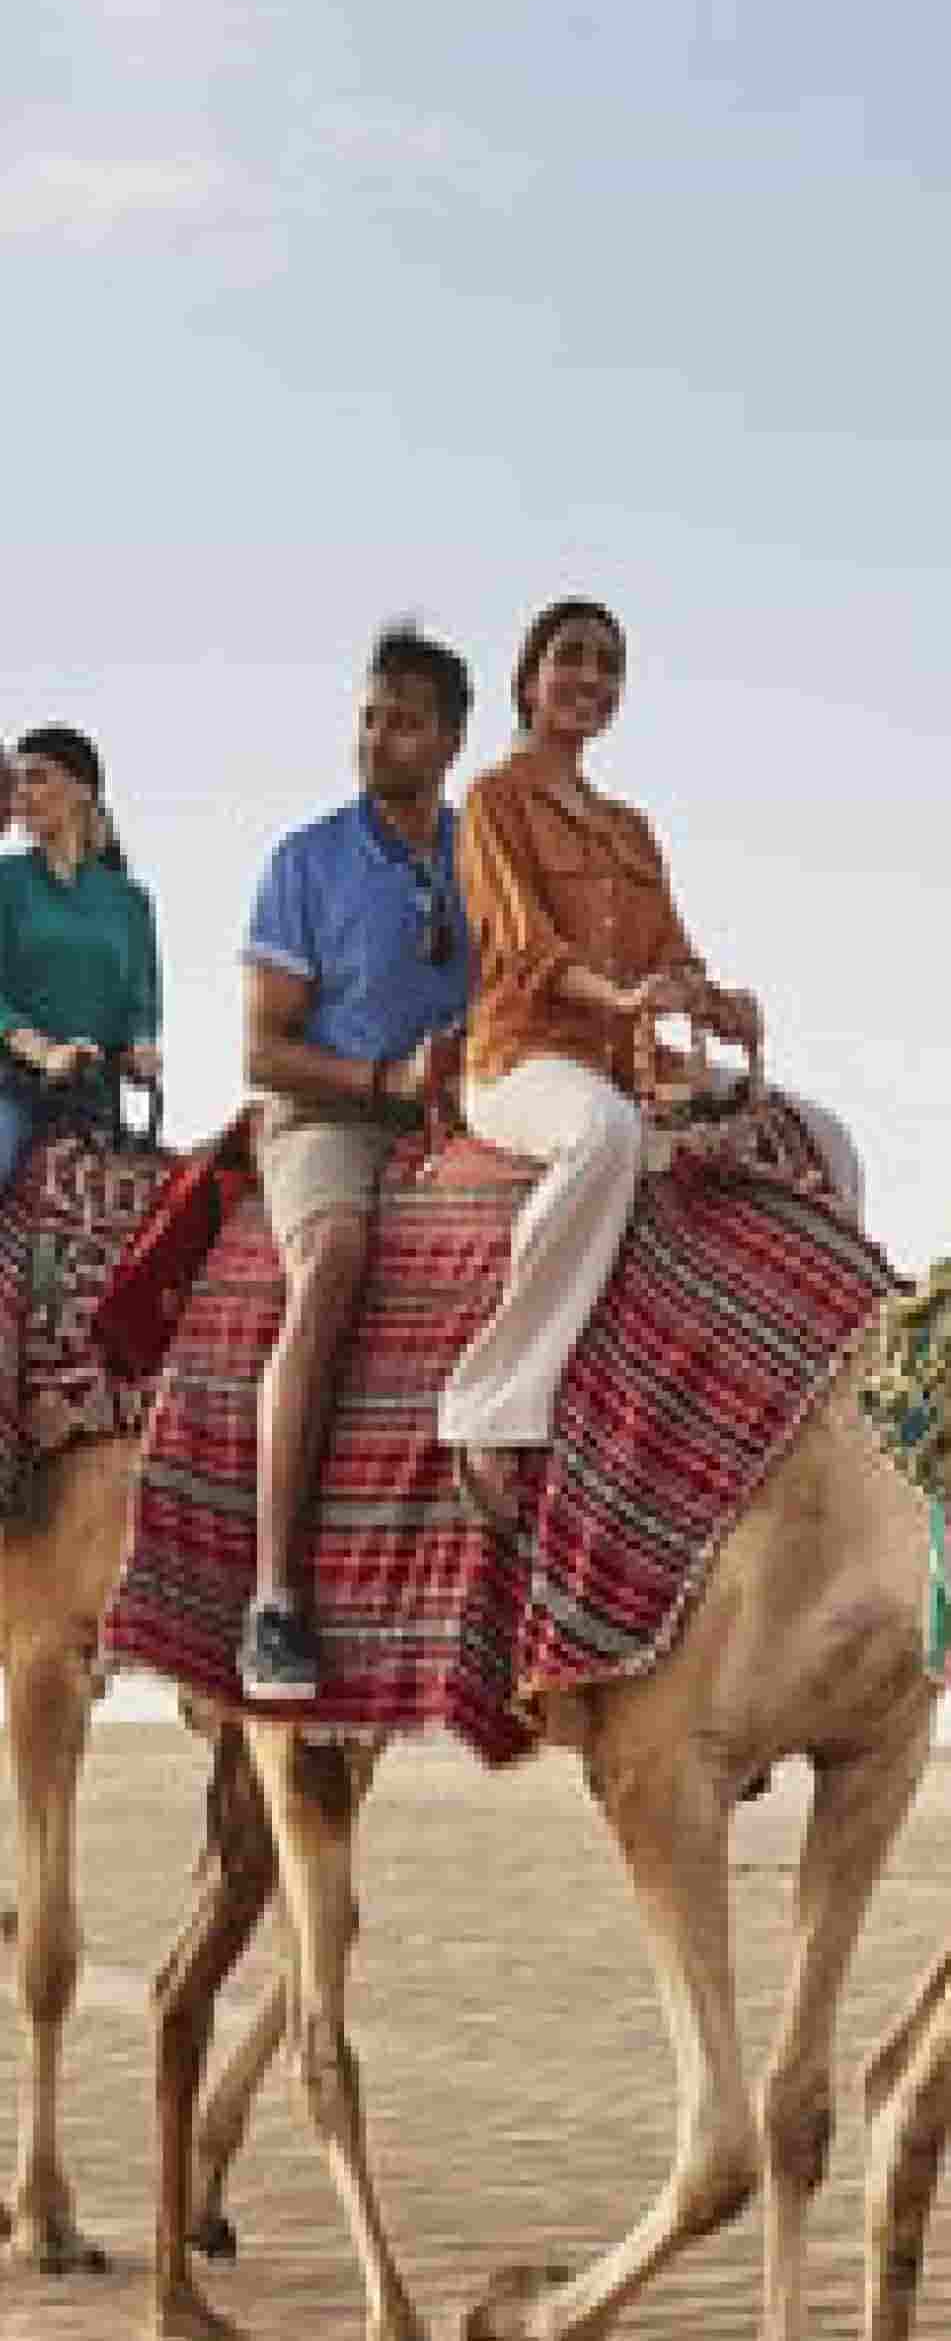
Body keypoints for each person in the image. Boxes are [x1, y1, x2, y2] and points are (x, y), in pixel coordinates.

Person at [439, 596, 863, 1532]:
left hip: (632, 1054)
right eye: (573, 658)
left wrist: (713, 1001)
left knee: (820, 1132)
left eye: (609, 665)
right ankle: (496, 1405)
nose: (591, 679)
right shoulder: (494, 802)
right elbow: (521, 947)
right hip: (523, 1060)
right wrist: (621, 999)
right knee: (604, 1137)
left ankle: (818, 1376)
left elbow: (671, 951)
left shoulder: (630, 830)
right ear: (530, 677)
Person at [232, 623, 478, 1702]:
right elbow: (263, 1049)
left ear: (451, 739)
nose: (378, 738)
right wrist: (385, 1084)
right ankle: (275, 1599)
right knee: (332, 1257)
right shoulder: (307, 861)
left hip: (465, 1120)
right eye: (369, 717)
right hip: (330, 1115)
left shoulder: (485, 858)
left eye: (404, 722)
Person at [0, 726, 161, 1188]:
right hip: (11, 1087)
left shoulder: (130, 901)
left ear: (82, 790)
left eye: (36, 778)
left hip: (95, 1099)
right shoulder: (6, 881)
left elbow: (141, 1001)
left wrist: (140, 1046)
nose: (21, 793)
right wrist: (44, 1051)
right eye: (15, 782)